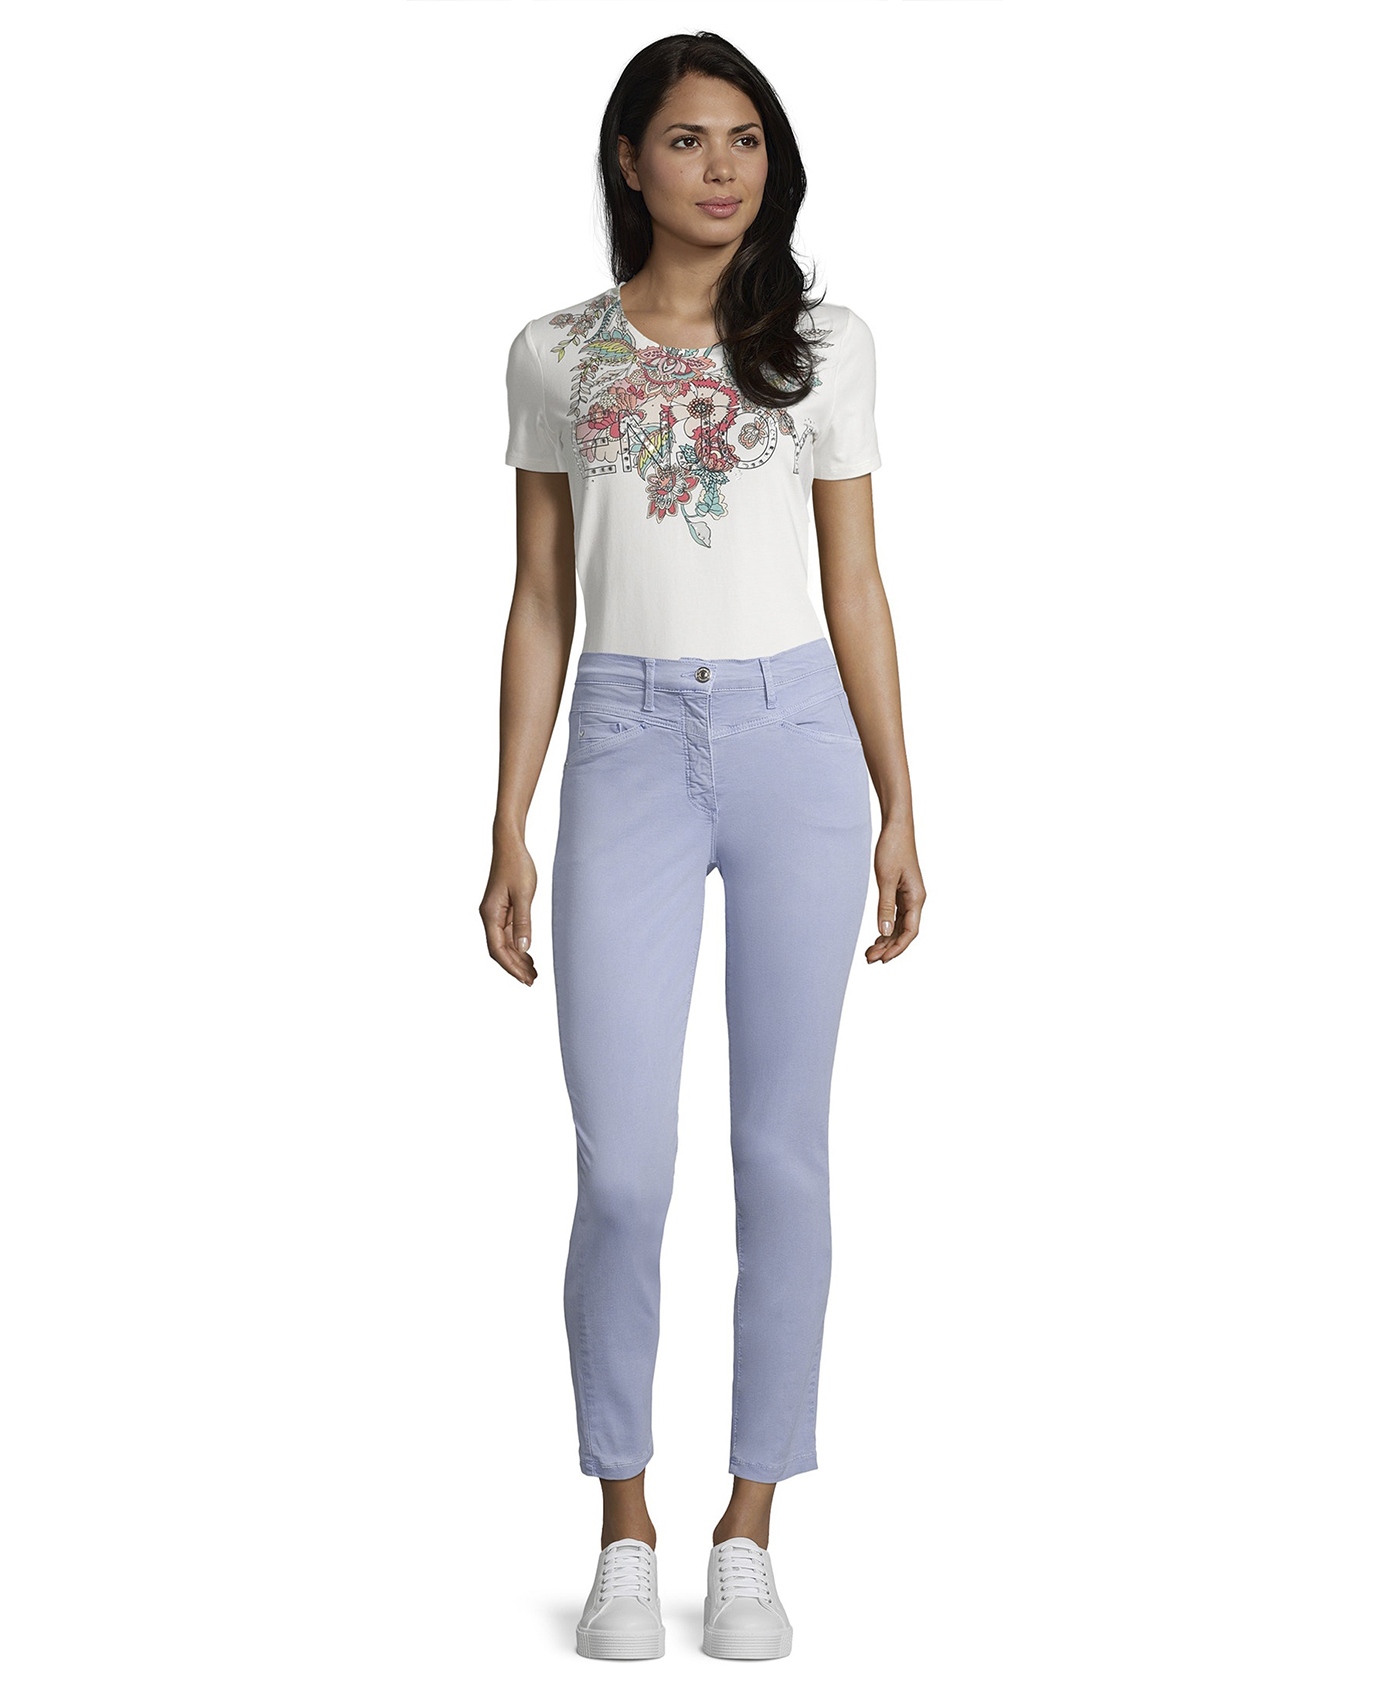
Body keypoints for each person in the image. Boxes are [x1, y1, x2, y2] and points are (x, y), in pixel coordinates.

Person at [482, 31, 924, 1662]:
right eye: (687, 139)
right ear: (630, 160)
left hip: (798, 741)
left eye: (746, 138)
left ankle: (750, 1526)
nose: (723, 167)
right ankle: (624, 1523)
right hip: (623, 743)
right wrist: (507, 817)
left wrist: (900, 798)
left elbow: (855, 581)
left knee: (781, 1150)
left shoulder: (822, 344)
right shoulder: (556, 354)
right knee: (623, 1165)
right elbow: (543, 596)